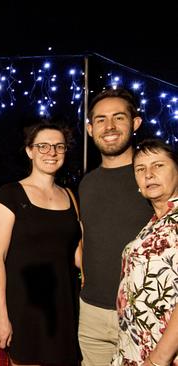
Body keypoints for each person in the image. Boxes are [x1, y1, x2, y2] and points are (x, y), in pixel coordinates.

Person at [0, 121, 82, 365]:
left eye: (58, 146)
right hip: (24, 308)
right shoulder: (9, 194)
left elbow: (77, 255)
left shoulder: (70, 196)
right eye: (43, 146)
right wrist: (0, 317)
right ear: (30, 151)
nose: (51, 152)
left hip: (64, 306)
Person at [79, 88, 154, 365]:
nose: (109, 126)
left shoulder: (154, 176)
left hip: (146, 311)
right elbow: (85, 238)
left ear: (135, 123)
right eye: (100, 120)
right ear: (90, 129)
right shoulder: (87, 184)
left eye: (118, 117)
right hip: (92, 313)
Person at [111, 139, 178, 366]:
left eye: (158, 165)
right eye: (141, 169)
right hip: (135, 348)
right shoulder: (152, 224)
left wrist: (158, 359)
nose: (148, 174)